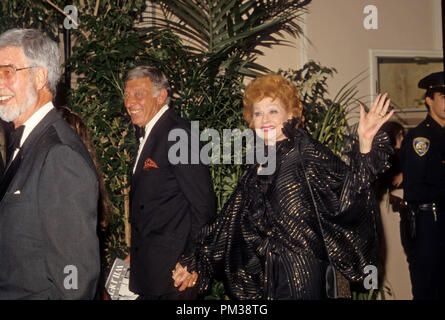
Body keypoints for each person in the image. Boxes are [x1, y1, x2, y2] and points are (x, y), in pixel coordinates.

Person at [172, 73, 394, 300]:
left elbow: (350, 188)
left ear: (290, 115)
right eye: (258, 113)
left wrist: (365, 146)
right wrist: (195, 259)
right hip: (263, 274)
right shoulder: (257, 161)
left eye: (273, 111)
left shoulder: (305, 151)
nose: (264, 119)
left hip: (301, 273)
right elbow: (229, 219)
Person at [0, 28, 100, 299]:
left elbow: (75, 282)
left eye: (7, 72)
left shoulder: (59, 155)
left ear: (40, 77)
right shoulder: (26, 141)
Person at [124, 66, 216, 300]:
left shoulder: (178, 134)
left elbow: (204, 206)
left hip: (175, 275)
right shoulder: (149, 132)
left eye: (138, 95)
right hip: (151, 270)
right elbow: (153, 205)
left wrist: (191, 260)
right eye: (126, 95)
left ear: (161, 96)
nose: (130, 102)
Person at [400, 71, 445, 300]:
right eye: (443, 97)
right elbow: (415, 189)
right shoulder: (421, 138)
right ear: (429, 99)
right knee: (429, 289)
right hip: (430, 223)